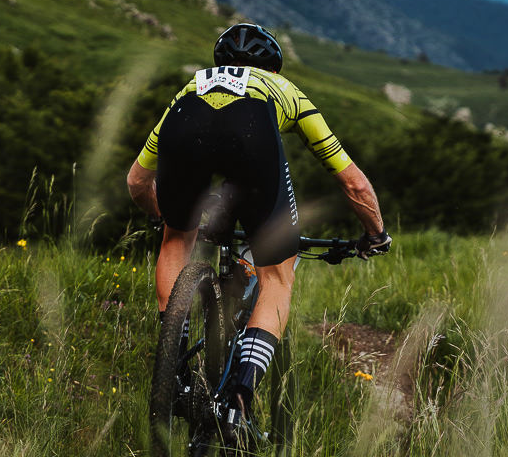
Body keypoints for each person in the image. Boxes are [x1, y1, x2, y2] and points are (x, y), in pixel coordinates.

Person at [125, 22, 390, 434]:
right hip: (251, 133)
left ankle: (173, 369)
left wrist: (167, 217)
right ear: (275, 68)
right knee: (277, 277)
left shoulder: (190, 87)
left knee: (176, 242)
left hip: (186, 124)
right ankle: (239, 400)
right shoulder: (283, 89)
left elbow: (137, 182)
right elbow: (352, 181)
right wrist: (376, 234)